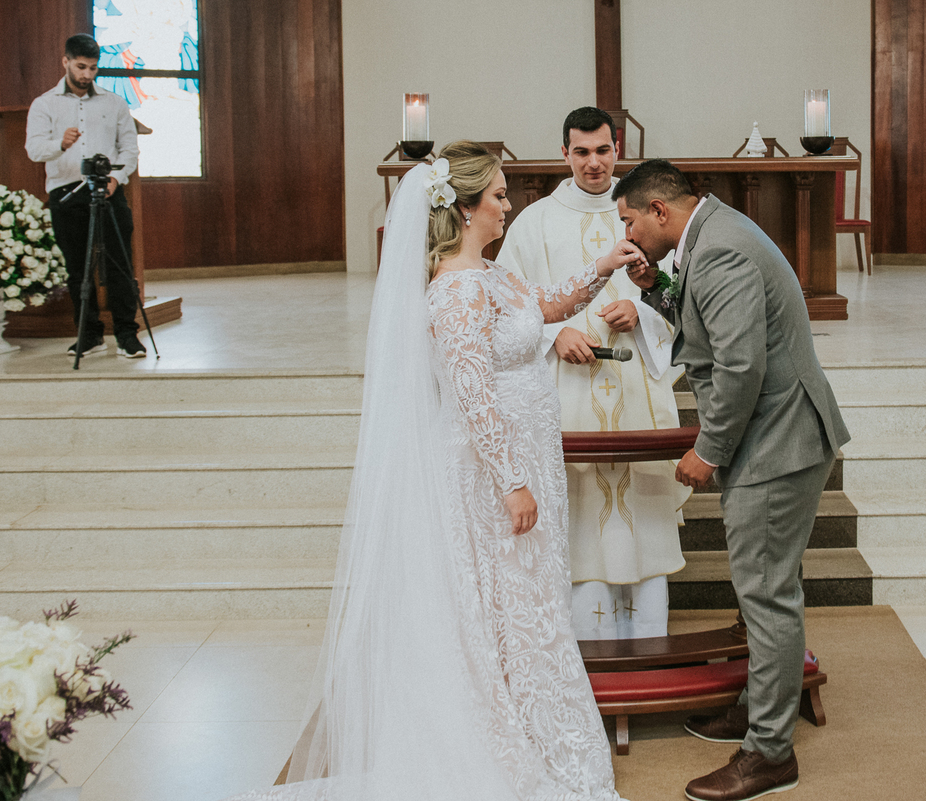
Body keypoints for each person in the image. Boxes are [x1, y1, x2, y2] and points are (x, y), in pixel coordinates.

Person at [222, 142, 641, 801]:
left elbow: (546, 306)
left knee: (525, 605)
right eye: (498, 195)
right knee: (506, 606)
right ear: (466, 208)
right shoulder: (455, 291)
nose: (507, 205)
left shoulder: (492, 275)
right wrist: (511, 481)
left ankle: (534, 734)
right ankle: (509, 749)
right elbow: (472, 390)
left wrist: (602, 266)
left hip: (524, 462)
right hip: (489, 475)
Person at [615, 159, 850, 801]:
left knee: (766, 594)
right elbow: (711, 321)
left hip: (776, 442)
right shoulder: (714, 231)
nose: (628, 234)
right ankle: (757, 709)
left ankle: (770, 754)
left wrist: (708, 450)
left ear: (658, 210)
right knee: (764, 590)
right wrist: (656, 287)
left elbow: (740, 365)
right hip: (778, 433)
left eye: (630, 221)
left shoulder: (719, 249)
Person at [499, 107, 689, 640]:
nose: (593, 163)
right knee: (581, 515)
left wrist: (644, 313)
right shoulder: (535, 221)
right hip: (568, 393)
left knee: (641, 510)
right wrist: (552, 336)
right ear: (564, 153)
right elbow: (507, 305)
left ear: (617, 149)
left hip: (636, 389)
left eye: (603, 150)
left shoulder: (646, 213)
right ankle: (590, 650)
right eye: (581, 152)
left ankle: (648, 644)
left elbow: (682, 296)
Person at [25, 33, 145, 359]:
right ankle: (90, 335)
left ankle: (127, 335)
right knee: (78, 268)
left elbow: (129, 148)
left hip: (108, 190)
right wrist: (60, 144)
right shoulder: (44, 103)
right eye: (80, 67)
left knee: (119, 265)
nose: (87, 74)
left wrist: (116, 178)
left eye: (93, 68)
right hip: (66, 192)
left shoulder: (114, 102)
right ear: (65, 61)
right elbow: (34, 149)